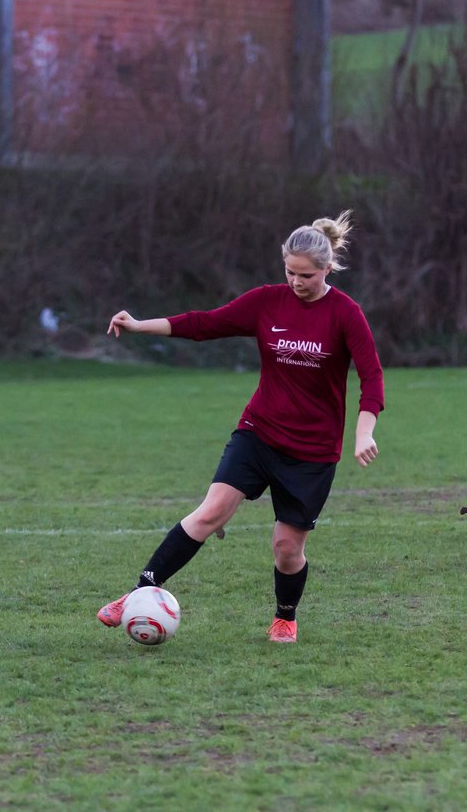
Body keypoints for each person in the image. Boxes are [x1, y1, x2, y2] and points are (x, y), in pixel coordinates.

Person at [99, 211, 384, 643]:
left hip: (312, 451)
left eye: (306, 275)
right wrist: (140, 325)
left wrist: (364, 432)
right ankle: (138, 592)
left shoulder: (346, 314)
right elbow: (204, 324)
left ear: (327, 269)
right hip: (259, 432)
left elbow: (372, 378)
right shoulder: (267, 301)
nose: (296, 282)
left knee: (287, 550)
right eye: (289, 272)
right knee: (211, 511)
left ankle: (285, 616)